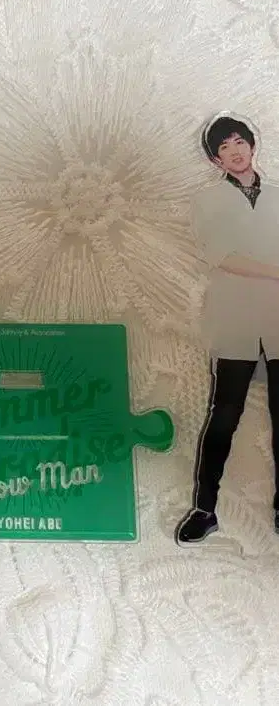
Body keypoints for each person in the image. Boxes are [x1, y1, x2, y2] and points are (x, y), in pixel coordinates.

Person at [176, 113, 279, 544]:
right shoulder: (209, 201)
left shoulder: (277, 197)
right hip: (235, 321)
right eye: (223, 147)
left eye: (239, 141)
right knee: (223, 416)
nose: (234, 151)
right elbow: (222, 256)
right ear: (215, 159)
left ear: (252, 145)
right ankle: (205, 509)